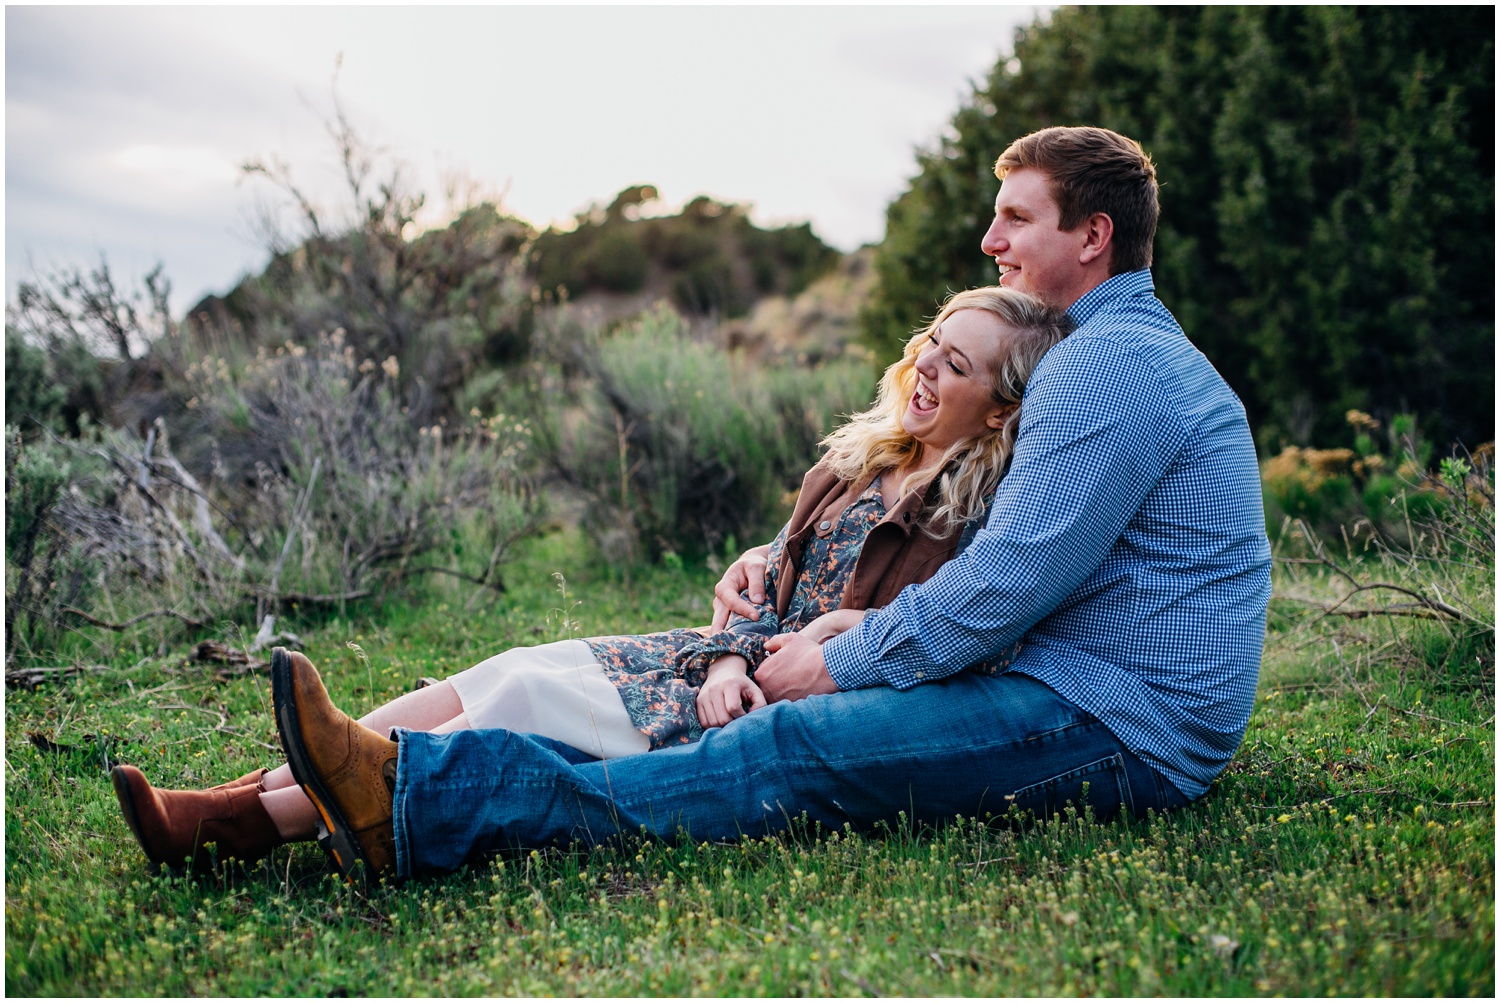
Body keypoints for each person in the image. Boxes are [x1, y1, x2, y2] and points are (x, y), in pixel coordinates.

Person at [217, 124, 1271, 885]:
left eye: (1015, 219)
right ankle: (313, 790)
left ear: (1092, 237)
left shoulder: (1106, 366)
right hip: (1079, 683)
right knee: (621, 686)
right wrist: (798, 593)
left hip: (1120, 719)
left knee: (788, 754)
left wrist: (841, 657)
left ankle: (408, 799)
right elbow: (1013, 566)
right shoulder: (1110, 358)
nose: (991, 239)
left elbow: (1006, 580)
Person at [111, 285, 1075, 875]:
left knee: (527, 697)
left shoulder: (970, 515)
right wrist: (729, 632)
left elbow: (903, 633)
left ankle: (250, 822)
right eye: (933, 344)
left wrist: (767, 657)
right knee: (510, 664)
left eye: (961, 364)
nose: (929, 368)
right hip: (717, 661)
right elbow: (773, 578)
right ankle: (242, 797)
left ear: (999, 411)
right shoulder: (865, 457)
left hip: (760, 702)